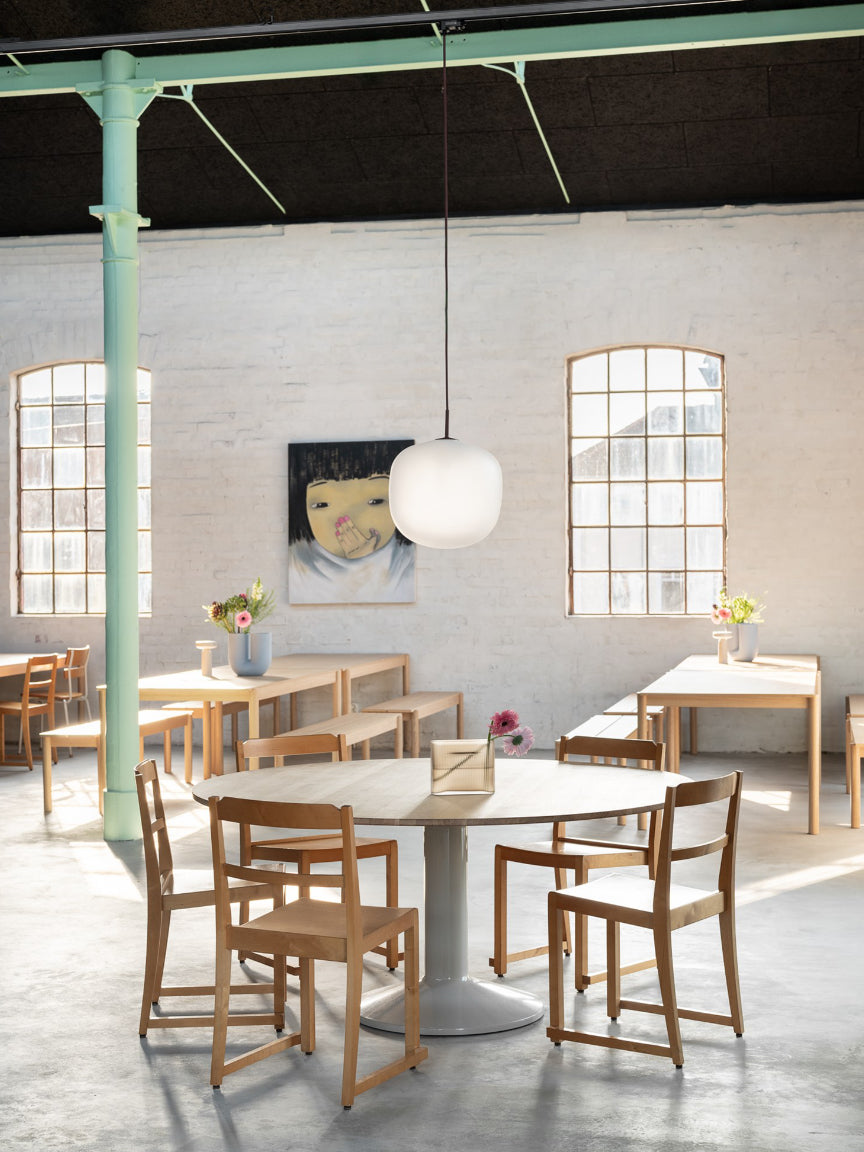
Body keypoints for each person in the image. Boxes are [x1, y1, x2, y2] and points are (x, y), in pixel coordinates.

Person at [288, 440, 415, 604]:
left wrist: (364, 561)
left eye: (376, 501)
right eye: (322, 504)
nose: (351, 518)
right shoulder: (297, 567)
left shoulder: (406, 566)